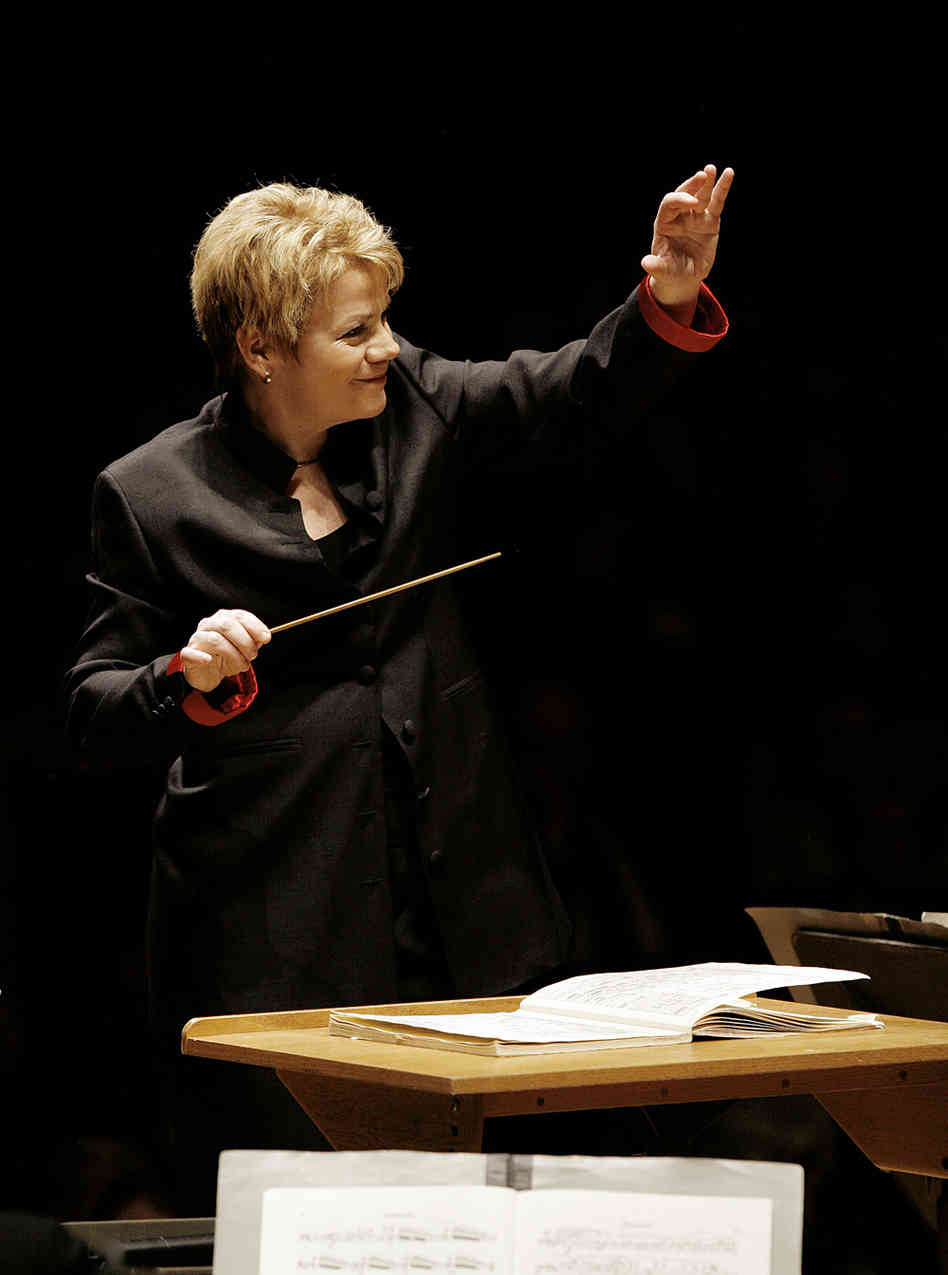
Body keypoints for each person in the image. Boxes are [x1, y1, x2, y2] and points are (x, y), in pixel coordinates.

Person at [66, 165, 733, 1208]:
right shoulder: (152, 494)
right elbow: (94, 712)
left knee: (494, 1220)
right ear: (261, 348)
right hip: (278, 951)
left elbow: (567, 390)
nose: (386, 346)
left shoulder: (412, 401)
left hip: (470, 919)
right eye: (356, 330)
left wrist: (669, 296)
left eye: (384, 320)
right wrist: (182, 676)